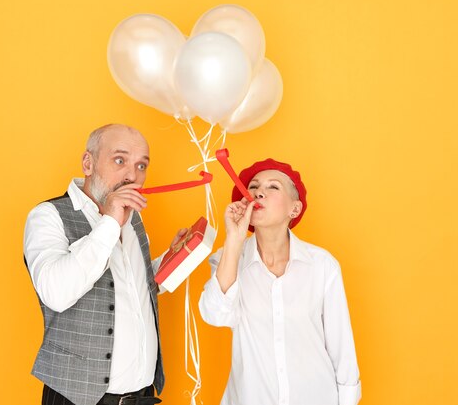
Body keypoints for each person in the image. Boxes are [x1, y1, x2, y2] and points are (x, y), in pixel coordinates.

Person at [24, 124, 186, 405]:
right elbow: (56, 293)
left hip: (142, 397)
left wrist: (173, 258)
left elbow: (132, 288)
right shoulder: (47, 216)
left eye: (141, 165)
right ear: (88, 163)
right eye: (120, 160)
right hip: (78, 399)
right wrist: (110, 221)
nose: (132, 176)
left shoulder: (133, 219)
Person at [198, 158, 361, 405]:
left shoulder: (322, 265)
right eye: (253, 187)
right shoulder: (228, 259)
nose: (258, 192)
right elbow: (215, 315)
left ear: (294, 209)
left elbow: (342, 346)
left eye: (273, 187)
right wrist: (234, 238)